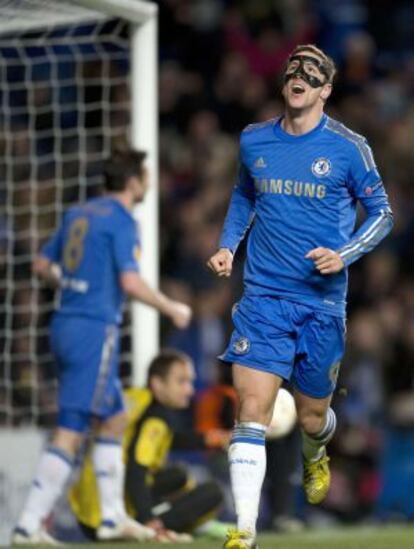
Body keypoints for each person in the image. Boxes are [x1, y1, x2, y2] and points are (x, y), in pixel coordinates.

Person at [207, 44, 393, 549]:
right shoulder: (254, 140)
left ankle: (315, 452)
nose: (300, 76)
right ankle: (244, 531)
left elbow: (383, 213)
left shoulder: (348, 148)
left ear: (326, 89)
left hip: (321, 304)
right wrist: (228, 246)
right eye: (294, 69)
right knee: (251, 407)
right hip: (263, 297)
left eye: (312, 72)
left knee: (312, 417)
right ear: (284, 82)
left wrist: (345, 254)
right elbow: (245, 194)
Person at [12, 149, 192, 545]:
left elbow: (43, 266)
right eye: (144, 176)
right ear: (132, 181)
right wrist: (170, 307)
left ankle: (112, 518)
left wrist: (73, 283)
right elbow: (129, 283)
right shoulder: (123, 221)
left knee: (115, 417)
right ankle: (28, 524)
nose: (147, 183)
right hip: (93, 329)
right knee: (72, 428)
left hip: (64, 324)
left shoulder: (79, 213)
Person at [68, 349, 226, 542]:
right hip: (110, 518)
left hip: (88, 511)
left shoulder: (137, 399)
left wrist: (210, 439)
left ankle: (158, 519)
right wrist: (147, 520)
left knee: (179, 477)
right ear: (157, 384)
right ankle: (153, 525)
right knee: (213, 493)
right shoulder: (156, 419)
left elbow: (169, 439)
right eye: (181, 381)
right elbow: (136, 470)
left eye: (190, 381)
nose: (190, 390)